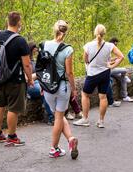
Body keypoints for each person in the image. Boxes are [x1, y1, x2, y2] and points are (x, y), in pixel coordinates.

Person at [0, 12, 33, 146]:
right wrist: (30, 79)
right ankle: (12, 137)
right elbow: (26, 64)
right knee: (13, 108)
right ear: (19, 23)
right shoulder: (20, 40)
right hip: (15, 80)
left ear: (7, 21)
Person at [74, 24, 124, 128]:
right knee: (103, 97)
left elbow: (85, 60)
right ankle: (101, 121)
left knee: (85, 94)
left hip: (92, 74)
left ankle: (85, 119)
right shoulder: (110, 46)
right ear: (104, 33)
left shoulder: (88, 45)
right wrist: (112, 66)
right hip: (105, 73)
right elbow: (121, 56)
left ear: (95, 32)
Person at [42, 20, 79, 159]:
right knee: (59, 116)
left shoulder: (45, 45)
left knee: (59, 116)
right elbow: (69, 72)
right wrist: (74, 89)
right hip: (62, 87)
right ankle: (54, 148)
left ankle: (70, 140)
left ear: (54, 29)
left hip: (47, 86)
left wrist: (42, 84)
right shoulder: (68, 49)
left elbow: (42, 67)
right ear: (65, 32)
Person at [27, 42, 54, 125]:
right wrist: (38, 74)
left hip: (39, 82)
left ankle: (57, 114)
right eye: (35, 49)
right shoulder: (26, 61)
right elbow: (26, 78)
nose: (37, 50)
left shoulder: (33, 60)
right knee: (45, 90)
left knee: (52, 87)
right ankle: (51, 118)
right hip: (30, 85)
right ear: (32, 49)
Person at [107, 38, 133, 105]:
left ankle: (124, 96)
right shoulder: (107, 49)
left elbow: (108, 61)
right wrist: (114, 63)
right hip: (108, 70)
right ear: (112, 43)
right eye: (115, 44)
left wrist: (114, 60)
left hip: (110, 69)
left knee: (124, 79)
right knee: (124, 70)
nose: (116, 46)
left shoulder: (109, 50)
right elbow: (106, 63)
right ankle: (124, 76)